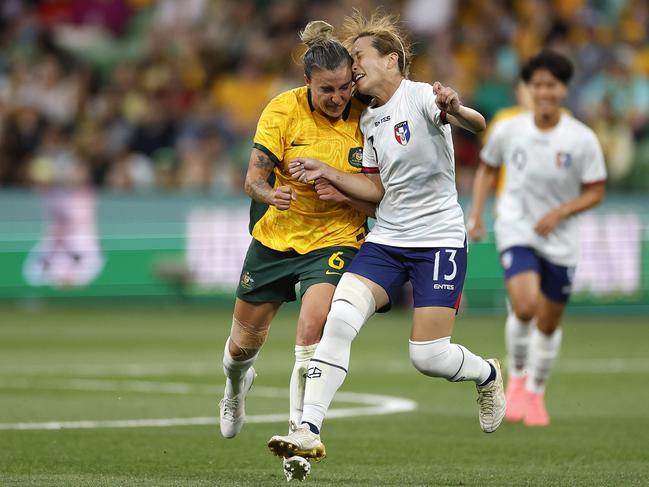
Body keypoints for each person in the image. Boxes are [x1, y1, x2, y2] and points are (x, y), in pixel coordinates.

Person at [267, 10, 506, 462]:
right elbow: (375, 190)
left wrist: (456, 108)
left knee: (428, 357)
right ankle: (307, 429)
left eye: (359, 57)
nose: (352, 66)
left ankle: (488, 374)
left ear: (391, 60)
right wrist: (330, 176)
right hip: (388, 238)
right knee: (338, 320)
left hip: (437, 239)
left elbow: (477, 125)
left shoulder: (422, 98)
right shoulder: (369, 120)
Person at [218, 21, 375, 481]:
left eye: (346, 87)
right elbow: (251, 180)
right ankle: (234, 386)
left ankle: (298, 440)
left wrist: (344, 195)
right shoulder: (282, 111)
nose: (338, 98)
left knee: (314, 326)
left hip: (336, 238)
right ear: (307, 81)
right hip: (276, 237)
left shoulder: (367, 115)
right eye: (327, 89)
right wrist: (272, 196)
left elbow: (379, 194)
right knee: (241, 347)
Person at [468, 51, 607, 426]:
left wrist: (561, 212)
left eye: (552, 85)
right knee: (526, 307)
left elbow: (596, 190)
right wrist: (478, 214)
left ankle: (536, 392)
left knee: (547, 322)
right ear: (528, 89)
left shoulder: (580, 138)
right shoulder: (509, 129)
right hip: (516, 227)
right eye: (538, 85)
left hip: (561, 237)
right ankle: (516, 379)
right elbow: (486, 170)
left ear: (563, 89)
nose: (544, 92)